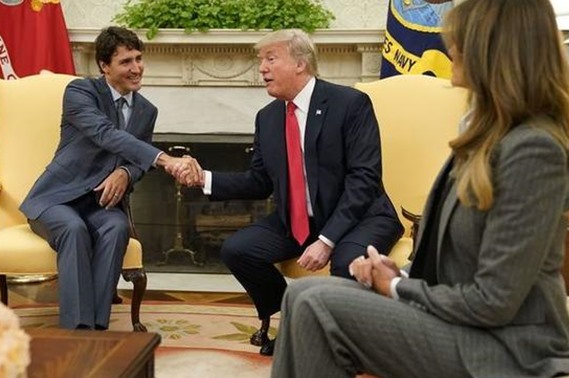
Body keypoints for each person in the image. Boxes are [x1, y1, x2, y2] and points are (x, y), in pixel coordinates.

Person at [271, 0, 569, 376]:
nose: (447, 54)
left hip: (508, 346)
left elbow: (494, 301)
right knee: (300, 293)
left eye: (456, 43)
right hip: (468, 326)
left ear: (491, 51)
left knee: (316, 306)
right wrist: (398, 273)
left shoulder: (534, 150)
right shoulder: (484, 134)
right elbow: (453, 257)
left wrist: (394, 288)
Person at [171, 29, 403, 355]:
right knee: (239, 249)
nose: (261, 68)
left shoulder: (349, 104)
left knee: (347, 260)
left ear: (300, 63)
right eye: (260, 60)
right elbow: (259, 181)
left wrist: (326, 241)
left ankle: (341, 345)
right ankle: (298, 321)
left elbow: (363, 180)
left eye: (270, 58)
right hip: (299, 217)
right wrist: (204, 179)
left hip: (360, 216)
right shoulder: (268, 118)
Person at [20, 26, 187, 330]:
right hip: (57, 199)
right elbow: (104, 134)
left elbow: (136, 160)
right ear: (104, 66)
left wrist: (125, 172)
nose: (136, 68)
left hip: (101, 205)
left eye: (138, 59)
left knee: (117, 226)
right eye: (125, 62)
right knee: (73, 229)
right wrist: (162, 159)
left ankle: (97, 329)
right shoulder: (80, 92)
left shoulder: (147, 110)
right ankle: (78, 331)